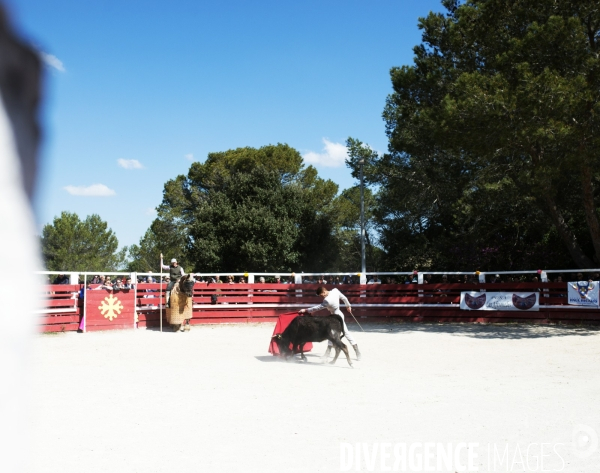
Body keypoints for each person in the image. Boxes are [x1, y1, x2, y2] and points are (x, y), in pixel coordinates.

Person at [299, 286, 361, 361]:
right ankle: (355, 351)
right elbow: (344, 298)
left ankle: (356, 351)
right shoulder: (335, 291)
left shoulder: (327, 300)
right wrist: (348, 306)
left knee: (342, 333)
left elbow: (318, 307)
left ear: (324, 292)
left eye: (321, 295)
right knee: (331, 333)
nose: (322, 297)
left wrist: (306, 310)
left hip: (335, 318)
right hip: (338, 315)